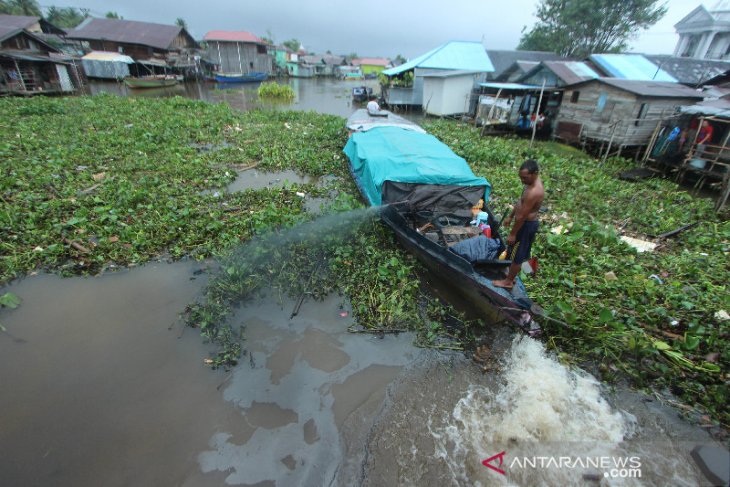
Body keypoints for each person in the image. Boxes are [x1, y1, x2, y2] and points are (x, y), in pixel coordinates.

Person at [493, 159, 545, 290]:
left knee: (519, 254)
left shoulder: (535, 191)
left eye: (525, 178)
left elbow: (522, 216)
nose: (522, 181)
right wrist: (510, 216)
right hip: (522, 223)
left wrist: (512, 233)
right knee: (515, 250)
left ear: (535, 174)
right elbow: (520, 201)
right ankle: (512, 274)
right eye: (521, 178)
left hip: (526, 225)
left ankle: (508, 281)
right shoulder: (529, 183)